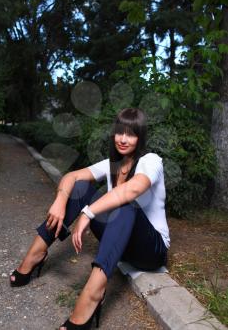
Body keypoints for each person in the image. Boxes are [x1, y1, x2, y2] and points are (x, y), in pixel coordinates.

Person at [10, 107, 170, 330]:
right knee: (79, 187)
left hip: (151, 250)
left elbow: (133, 190)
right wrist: (60, 199)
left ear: (140, 137)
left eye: (131, 134)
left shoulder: (150, 160)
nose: (123, 139)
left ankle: (92, 296)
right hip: (121, 239)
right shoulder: (112, 164)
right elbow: (72, 176)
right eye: (119, 132)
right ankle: (36, 254)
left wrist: (88, 212)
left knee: (126, 206)